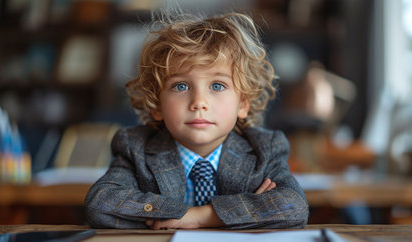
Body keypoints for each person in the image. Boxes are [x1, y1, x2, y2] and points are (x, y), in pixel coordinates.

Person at [84, 11, 308, 229]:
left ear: (243, 103)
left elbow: (293, 206)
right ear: (157, 105)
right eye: (181, 86)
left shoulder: (264, 149)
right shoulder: (135, 148)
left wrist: (202, 217)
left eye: (217, 86)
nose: (199, 102)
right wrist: (248, 210)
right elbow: (100, 204)